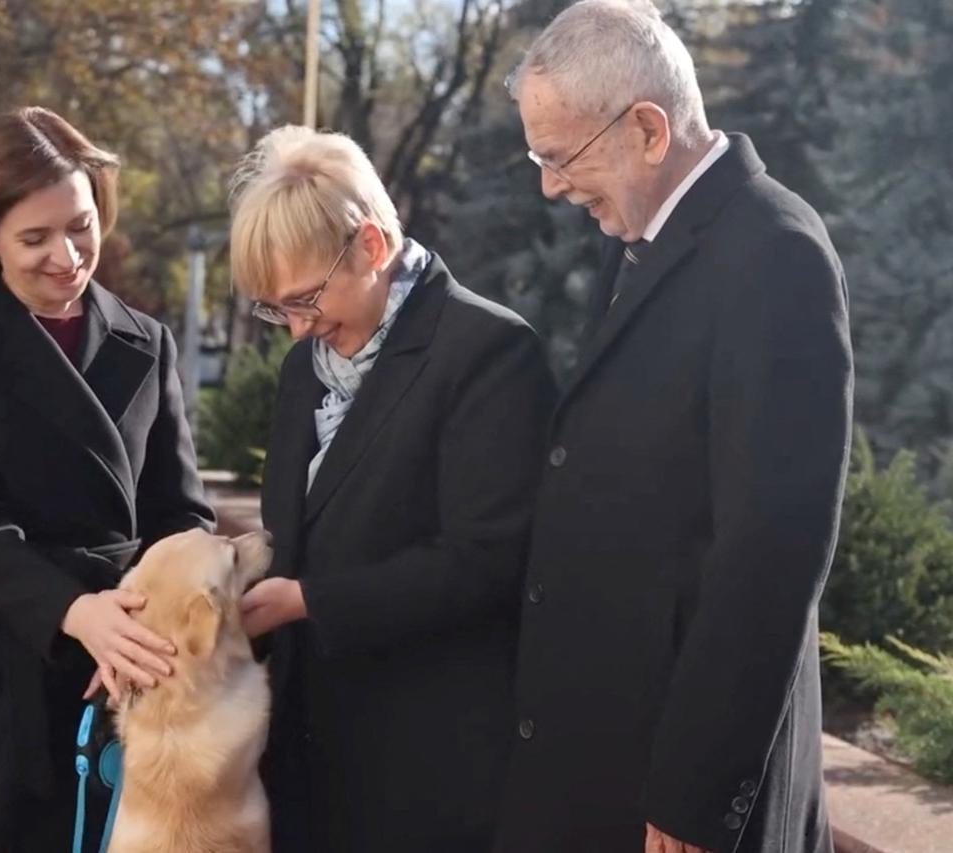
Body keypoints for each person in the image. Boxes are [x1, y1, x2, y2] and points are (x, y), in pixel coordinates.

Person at [496, 3, 852, 852]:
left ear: (650, 130)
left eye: (561, 156)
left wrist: (697, 793)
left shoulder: (776, 253)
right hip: (603, 753)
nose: (550, 185)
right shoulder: (642, 231)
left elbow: (771, 552)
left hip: (674, 795)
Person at [0, 106, 215, 853]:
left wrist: (145, 625)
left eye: (81, 225)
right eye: (35, 237)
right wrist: (76, 612)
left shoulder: (147, 343)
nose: (67, 254)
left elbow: (182, 515)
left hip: (124, 667)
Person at [229, 124, 558, 853]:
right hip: (307, 766)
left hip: (425, 776)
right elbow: (300, 530)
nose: (296, 329)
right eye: (277, 308)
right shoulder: (304, 369)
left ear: (372, 247)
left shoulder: (489, 353)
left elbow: (487, 561)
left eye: (306, 298)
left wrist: (310, 600)